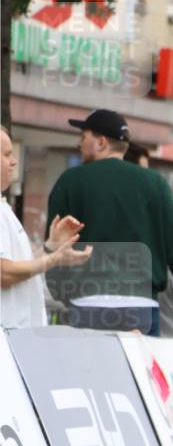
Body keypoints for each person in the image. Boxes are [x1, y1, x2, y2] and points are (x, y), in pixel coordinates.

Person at [45, 109, 173, 338]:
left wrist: (61, 292)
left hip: (88, 303)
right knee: (139, 373)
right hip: (141, 305)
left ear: (101, 142)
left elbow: (54, 248)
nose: (79, 143)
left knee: (91, 373)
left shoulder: (70, 182)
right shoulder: (155, 184)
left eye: (84, 137)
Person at [1, 127, 92, 328]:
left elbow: (21, 267)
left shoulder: (3, 207)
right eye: (7, 154)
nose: (14, 161)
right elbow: (4, 274)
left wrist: (51, 246)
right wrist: (53, 259)